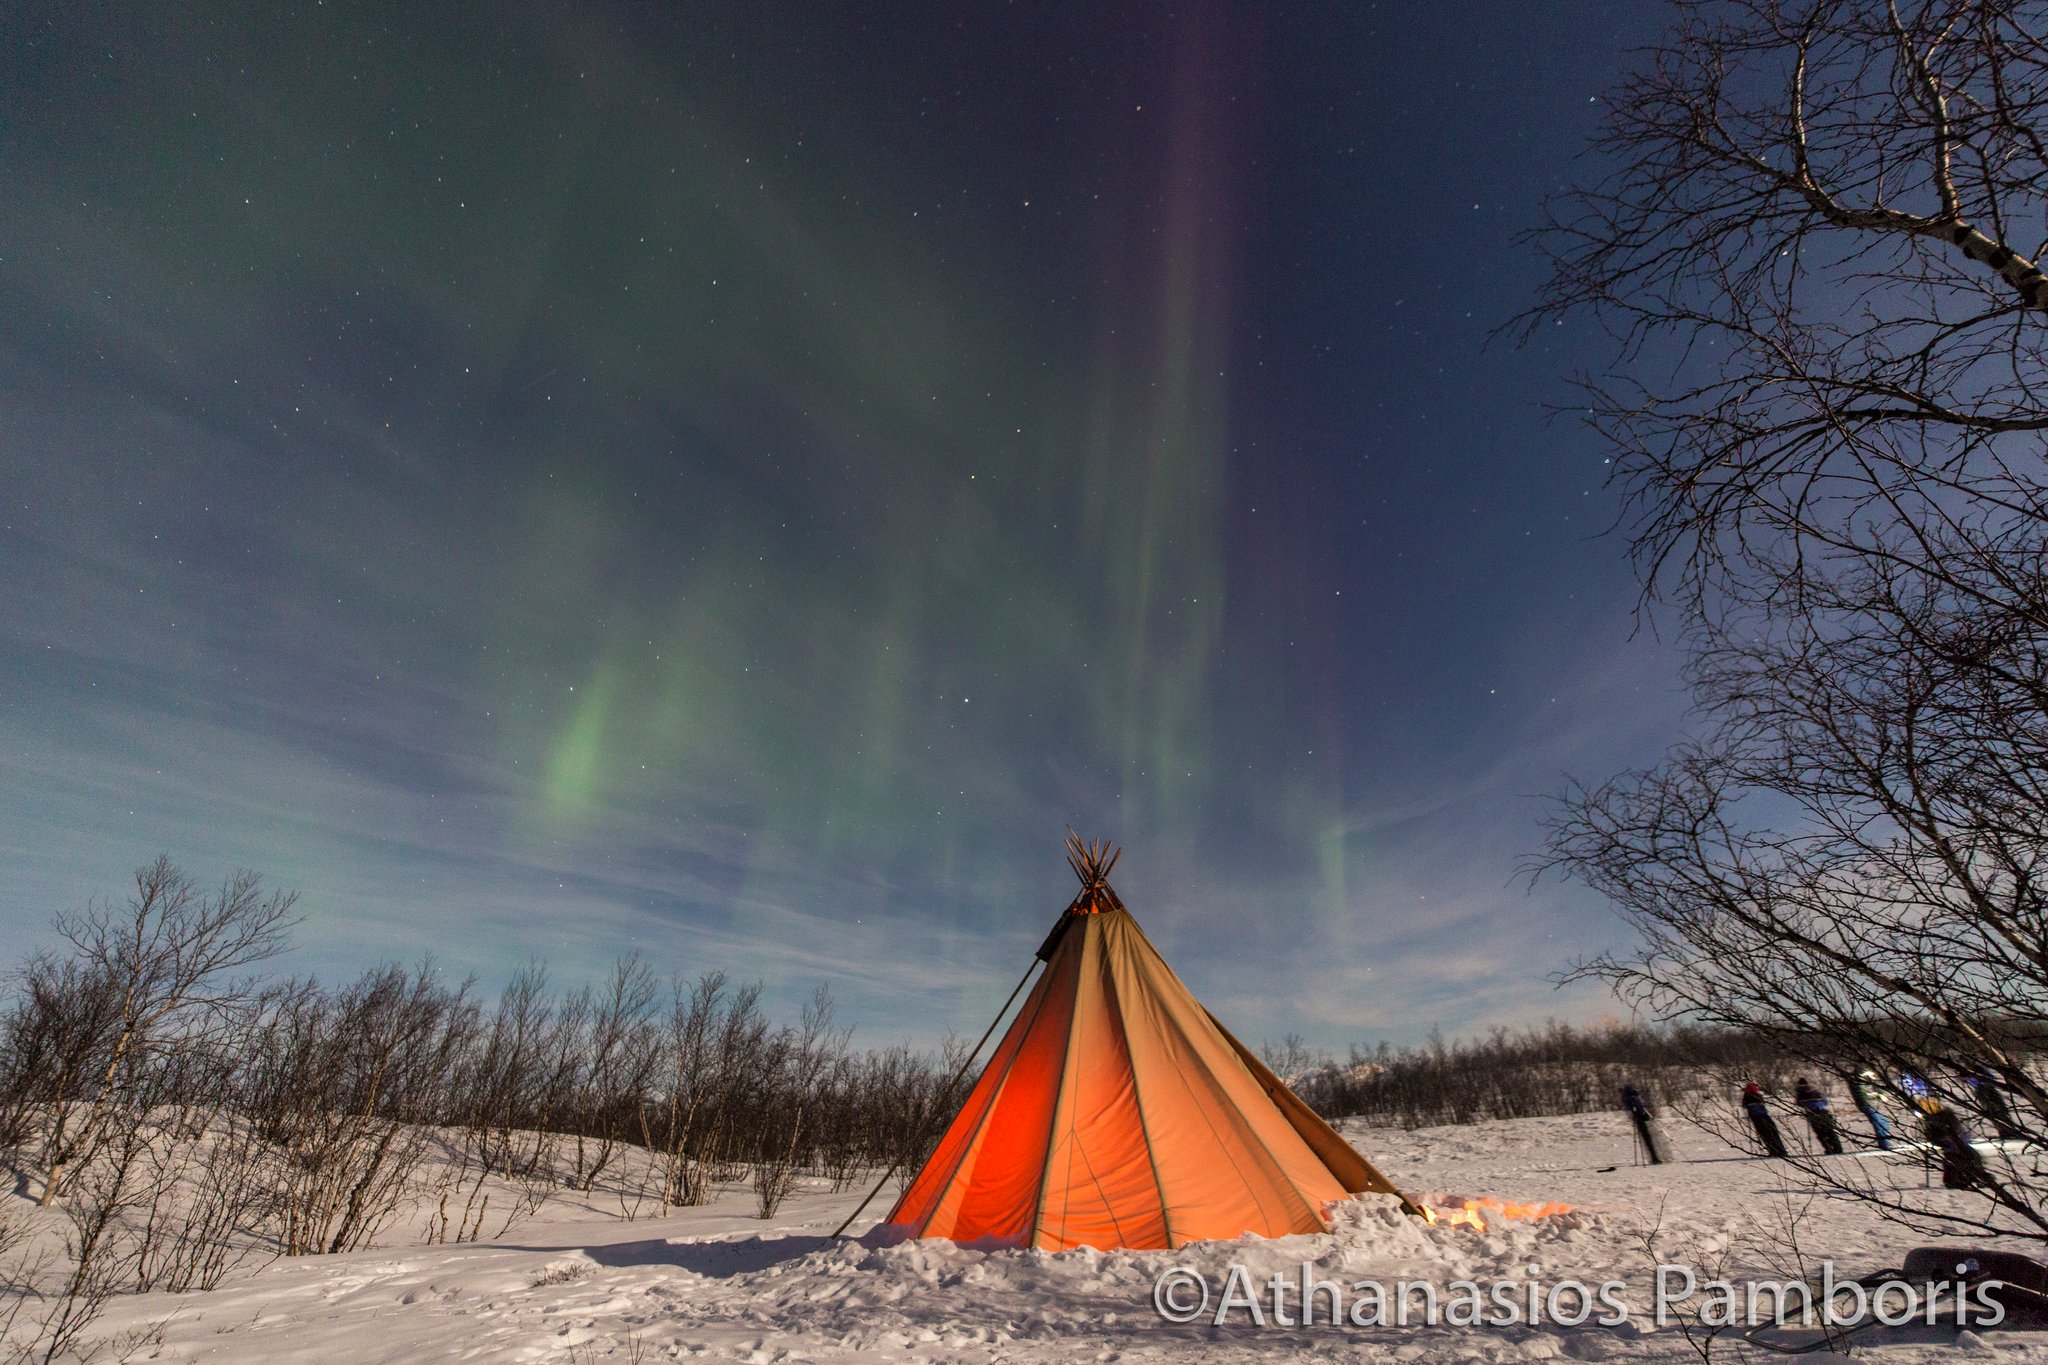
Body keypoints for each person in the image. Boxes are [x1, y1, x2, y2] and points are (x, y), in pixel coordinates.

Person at [1921, 1099, 1987, 1190]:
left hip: (1956, 1143)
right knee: (1958, 1160)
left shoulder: (1946, 1115)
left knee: (1971, 1157)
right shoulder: (1932, 1120)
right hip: (1950, 1145)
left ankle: (1975, 1177)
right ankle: (1961, 1179)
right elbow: (1933, 1137)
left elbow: (1957, 1127)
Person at [1963, 1066, 2023, 1141]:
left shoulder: (1978, 1070)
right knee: (1993, 1113)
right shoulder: (1970, 1071)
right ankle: (2004, 1131)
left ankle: (2009, 1131)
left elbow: (1988, 1078)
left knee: (1999, 1112)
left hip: (1988, 1091)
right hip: (1982, 1091)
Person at [1793, 1077, 1845, 1155]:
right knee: (1829, 1131)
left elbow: (1800, 1104)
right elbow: (1825, 1102)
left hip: (1812, 1114)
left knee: (1820, 1133)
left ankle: (1829, 1149)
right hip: (1823, 1112)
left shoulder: (1801, 1094)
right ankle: (1838, 1148)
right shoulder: (1816, 1091)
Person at [1620, 1084, 1671, 1164]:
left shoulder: (1631, 1097)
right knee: (1648, 1138)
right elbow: (1634, 1107)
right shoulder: (1629, 1099)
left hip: (1643, 1116)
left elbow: (1641, 1105)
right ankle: (1655, 1157)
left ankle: (1656, 1157)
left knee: (1650, 1138)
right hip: (1640, 1118)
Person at [1848, 1070, 1893, 1150]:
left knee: (1882, 1122)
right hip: (1866, 1105)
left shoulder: (1858, 1082)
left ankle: (1884, 1141)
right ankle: (1884, 1143)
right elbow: (1864, 1096)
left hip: (1868, 1105)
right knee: (1879, 1123)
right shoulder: (1857, 1083)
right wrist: (1877, 1095)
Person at [1741, 1082, 1789, 1158]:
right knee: (1773, 1133)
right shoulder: (1758, 1096)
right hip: (1765, 1116)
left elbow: (1744, 1106)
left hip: (1756, 1118)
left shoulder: (1746, 1097)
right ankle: (1781, 1150)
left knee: (1764, 1134)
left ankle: (1773, 1151)